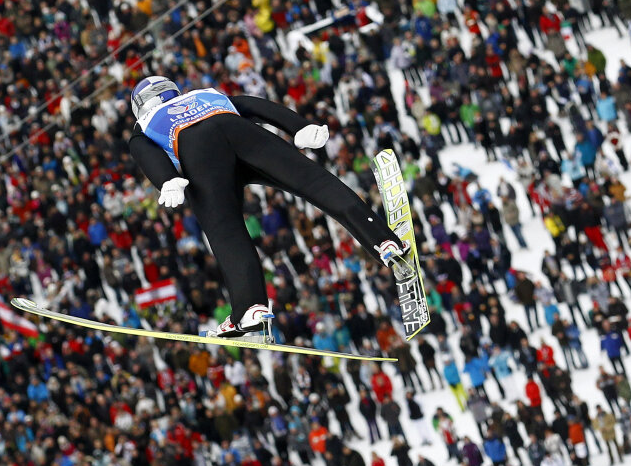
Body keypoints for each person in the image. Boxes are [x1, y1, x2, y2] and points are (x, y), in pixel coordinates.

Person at [127, 76, 416, 337]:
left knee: (226, 232)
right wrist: (299, 126)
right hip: (242, 132)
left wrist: (167, 180)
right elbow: (254, 105)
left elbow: (142, 149)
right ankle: (383, 240)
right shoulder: (204, 94)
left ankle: (250, 307)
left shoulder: (146, 123)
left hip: (200, 154)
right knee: (315, 181)